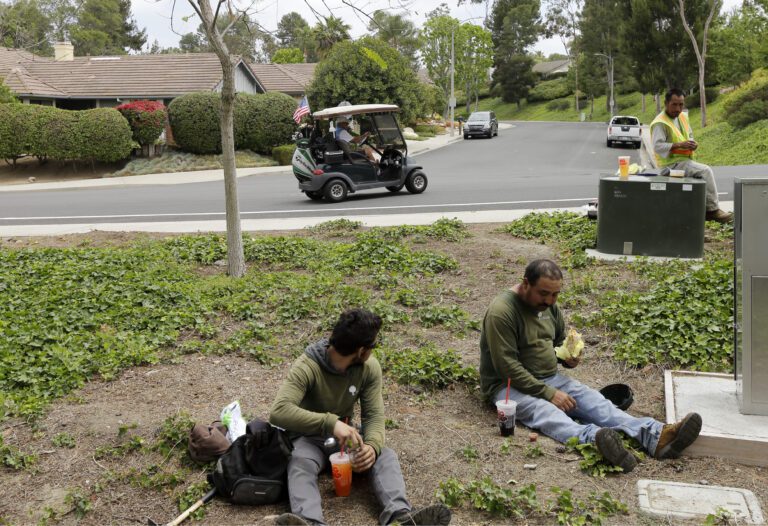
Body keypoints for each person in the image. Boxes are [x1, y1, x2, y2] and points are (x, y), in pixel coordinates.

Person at [479, 259, 703, 473]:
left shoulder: (550, 307)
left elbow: (556, 343)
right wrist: (548, 393)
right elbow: (506, 365)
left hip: (548, 378)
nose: (549, 301)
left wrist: (567, 357)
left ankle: (655, 436)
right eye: (543, 293)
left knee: (594, 401)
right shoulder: (503, 311)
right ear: (525, 283)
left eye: (555, 294)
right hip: (507, 386)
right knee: (546, 411)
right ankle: (596, 441)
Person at [270, 308, 452, 526]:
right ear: (361, 350)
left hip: (347, 439)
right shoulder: (308, 366)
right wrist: (330, 422)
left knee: (386, 455)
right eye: (373, 346)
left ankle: (400, 516)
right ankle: (309, 521)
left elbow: (374, 415)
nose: (373, 351)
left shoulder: (369, 368)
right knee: (299, 462)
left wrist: (372, 448)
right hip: (309, 438)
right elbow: (279, 411)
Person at [651, 88, 732, 223]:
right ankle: (712, 210)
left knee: (696, 186)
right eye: (674, 104)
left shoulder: (682, 117)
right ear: (666, 103)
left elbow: (690, 136)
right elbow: (657, 146)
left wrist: (693, 144)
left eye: (681, 104)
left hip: (684, 162)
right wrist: (679, 145)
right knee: (705, 171)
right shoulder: (660, 122)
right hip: (671, 166)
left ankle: (697, 221)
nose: (678, 108)